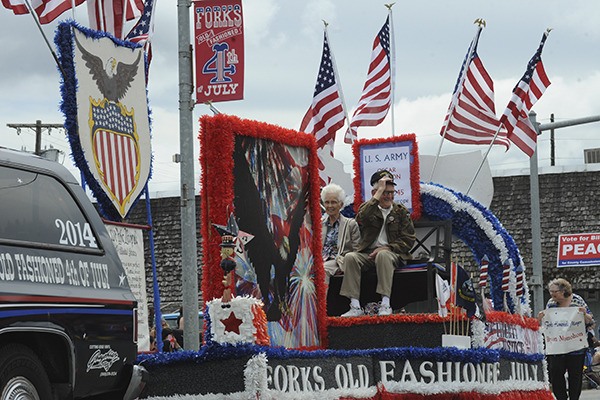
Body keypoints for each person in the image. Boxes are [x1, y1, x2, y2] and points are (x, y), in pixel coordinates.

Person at [340, 170, 415, 317]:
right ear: (376, 192)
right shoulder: (368, 209)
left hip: (392, 254)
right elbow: (362, 218)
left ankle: (385, 304)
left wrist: (387, 247)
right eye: (385, 192)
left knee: (383, 255)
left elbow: (408, 239)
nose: (389, 196)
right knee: (350, 257)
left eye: (391, 192)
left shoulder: (401, 212)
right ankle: (355, 306)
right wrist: (378, 193)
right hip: (367, 254)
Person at [537, 278, 595, 400]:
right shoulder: (551, 303)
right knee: (555, 372)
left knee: (575, 375)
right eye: (550, 291)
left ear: (564, 290)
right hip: (557, 346)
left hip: (576, 346)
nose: (552, 294)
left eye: (555, 291)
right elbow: (548, 323)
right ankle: (561, 397)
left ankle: (574, 398)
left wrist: (584, 314)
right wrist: (541, 318)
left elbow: (591, 321)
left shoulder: (577, 300)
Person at [321, 183, 360, 285]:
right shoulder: (319, 224)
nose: (330, 206)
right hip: (320, 260)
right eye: (327, 202)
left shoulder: (350, 224)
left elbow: (357, 250)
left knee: (321, 270)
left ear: (341, 204)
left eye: (333, 202)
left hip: (338, 261)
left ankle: (321, 301)